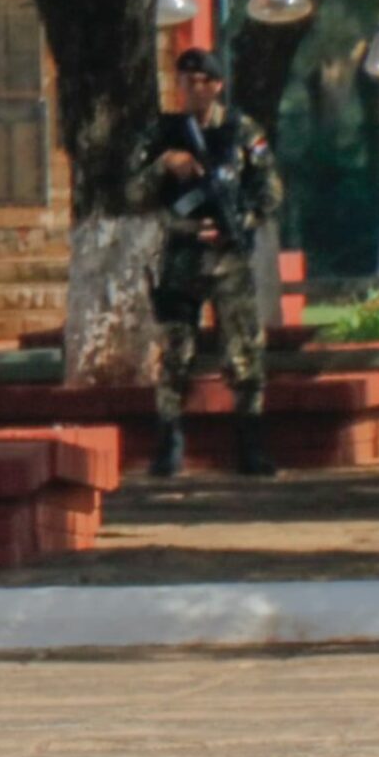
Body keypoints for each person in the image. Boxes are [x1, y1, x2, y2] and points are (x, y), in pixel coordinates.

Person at [130, 47, 285, 478]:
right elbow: (133, 195)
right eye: (185, 81)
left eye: (202, 82)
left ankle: (251, 445)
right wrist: (165, 164)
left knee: (245, 352)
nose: (193, 89)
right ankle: (169, 444)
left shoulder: (241, 130)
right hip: (181, 257)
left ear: (217, 85)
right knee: (176, 352)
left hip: (229, 258)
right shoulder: (162, 134)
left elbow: (269, 189)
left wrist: (243, 222)